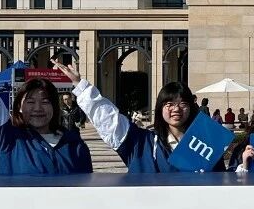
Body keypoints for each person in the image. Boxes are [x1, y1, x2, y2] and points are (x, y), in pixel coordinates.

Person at [0, 22, 92, 176]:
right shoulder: (8, 140)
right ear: (19, 107)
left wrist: (80, 85)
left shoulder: (74, 144)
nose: (38, 108)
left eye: (45, 101)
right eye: (30, 102)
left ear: (55, 106)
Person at [56, 61, 225, 173]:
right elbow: (108, 119)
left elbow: (220, 184)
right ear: (160, 108)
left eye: (183, 104)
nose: (176, 109)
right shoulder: (142, 143)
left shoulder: (206, 143)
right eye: (169, 104)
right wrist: (80, 85)